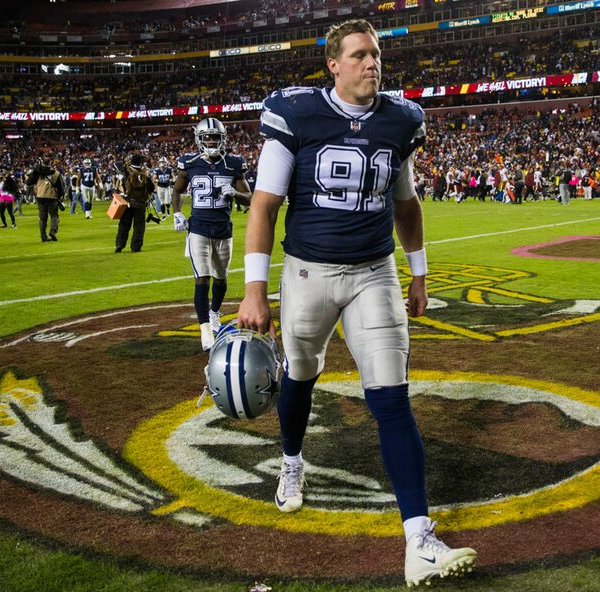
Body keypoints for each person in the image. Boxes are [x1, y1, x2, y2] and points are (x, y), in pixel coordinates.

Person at [236, 19, 476, 587]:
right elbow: (264, 206)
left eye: (376, 54)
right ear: (333, 65)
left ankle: (418, 539)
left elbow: (407, 203)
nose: (373, 64)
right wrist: (253, 288)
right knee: (300, 377)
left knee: (392, 399)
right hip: (307, 273)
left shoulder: (400, 118)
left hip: (375, 273)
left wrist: (418, 274)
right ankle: (292, 465)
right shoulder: (295, 114)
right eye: (361, 55)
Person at [172, 118, 252, 350]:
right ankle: (205, 329)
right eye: (207, 137)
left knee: (221, 278)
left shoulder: (234, 163)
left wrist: (235, 194)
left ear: (223, 138)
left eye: (215, 137)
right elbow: (177, 190)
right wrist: (177, 212)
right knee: (202, 278)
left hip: (223, 229)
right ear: (199, 138)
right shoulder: (190, 162)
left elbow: (251, 198)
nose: (211, 140)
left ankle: (214, 313)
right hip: (198, 228)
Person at [115, 154, 154, 253]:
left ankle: (120, 244)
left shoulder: (127, 172)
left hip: (128, 202)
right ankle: (135, 247)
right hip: (140, 204)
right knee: (139, 227)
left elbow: (116, 164)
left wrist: (126, 163)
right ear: (140, 162)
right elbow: (151, 188)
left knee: (124, 224)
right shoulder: (144, 175)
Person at [27, 157, 64, 242]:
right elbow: (61, 187)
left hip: (40, 197)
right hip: (52, 197)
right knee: (54, 216)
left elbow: (29, 183)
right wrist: (60, 197)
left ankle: (43, 237)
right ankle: (53, 231)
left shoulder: (37, 172)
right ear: (50, 163)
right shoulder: (56, 173)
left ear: (42, 162)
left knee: (42, 218)